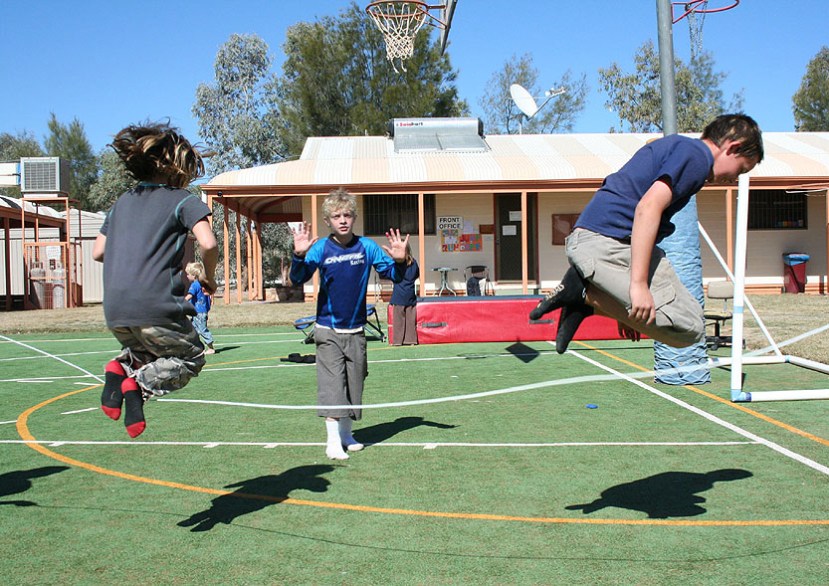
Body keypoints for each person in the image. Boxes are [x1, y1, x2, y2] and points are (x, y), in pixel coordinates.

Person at [530, 114, 764, 354]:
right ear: (732, 147)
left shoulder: (678, 147)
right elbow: (647, 207)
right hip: (605, 243)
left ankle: (584, 301)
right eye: (742, 169)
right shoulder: (697, 158)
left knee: (690, 324)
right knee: (691, 328)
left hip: (606, 241)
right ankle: (582, 294)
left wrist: (622, 306)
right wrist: (638, 286)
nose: (735, 179)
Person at [92, 121, 218, 438]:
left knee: (150, 353)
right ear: (175, 166)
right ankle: (137, 385)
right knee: (190, 358)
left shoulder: (122, 203)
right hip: (155, 304)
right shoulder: (183, 200)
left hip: (116, 310)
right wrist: (210, 278)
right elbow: (209, 243)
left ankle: (118, 369)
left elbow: (97, 251)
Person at [290, 188, 408, 460]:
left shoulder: (366, 246)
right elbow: (299, 278)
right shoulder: (320, 247)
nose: (342, 220)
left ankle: (346, 434)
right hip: (327, 329)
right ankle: (332, 442)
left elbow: (393, 274)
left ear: (354, 218)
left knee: (355, 383)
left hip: (356, 330)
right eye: (336, 216)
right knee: (333, 384)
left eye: (347, 215)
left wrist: (401, 260)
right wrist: (298, 255)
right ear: (328, 221)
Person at [389, 242, 419, 346]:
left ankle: (398, 341)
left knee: (398, 320)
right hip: (410, 294)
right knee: (410, 320)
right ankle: (411, 340)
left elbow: (390, 273)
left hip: (399, 295)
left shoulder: (396, 264)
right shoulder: (414, 263)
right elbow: (417, 274)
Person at [185, 261, 215, 355]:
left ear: (194, 276)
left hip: (199, 312)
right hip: (199, 312)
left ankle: (211, 347)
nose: (187, 276)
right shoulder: (203, 284)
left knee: (202, 329)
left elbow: (190, 295)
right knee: (193, 329)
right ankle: (197, 347)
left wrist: (182, 302)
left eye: (188, 274)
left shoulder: (194, 285)